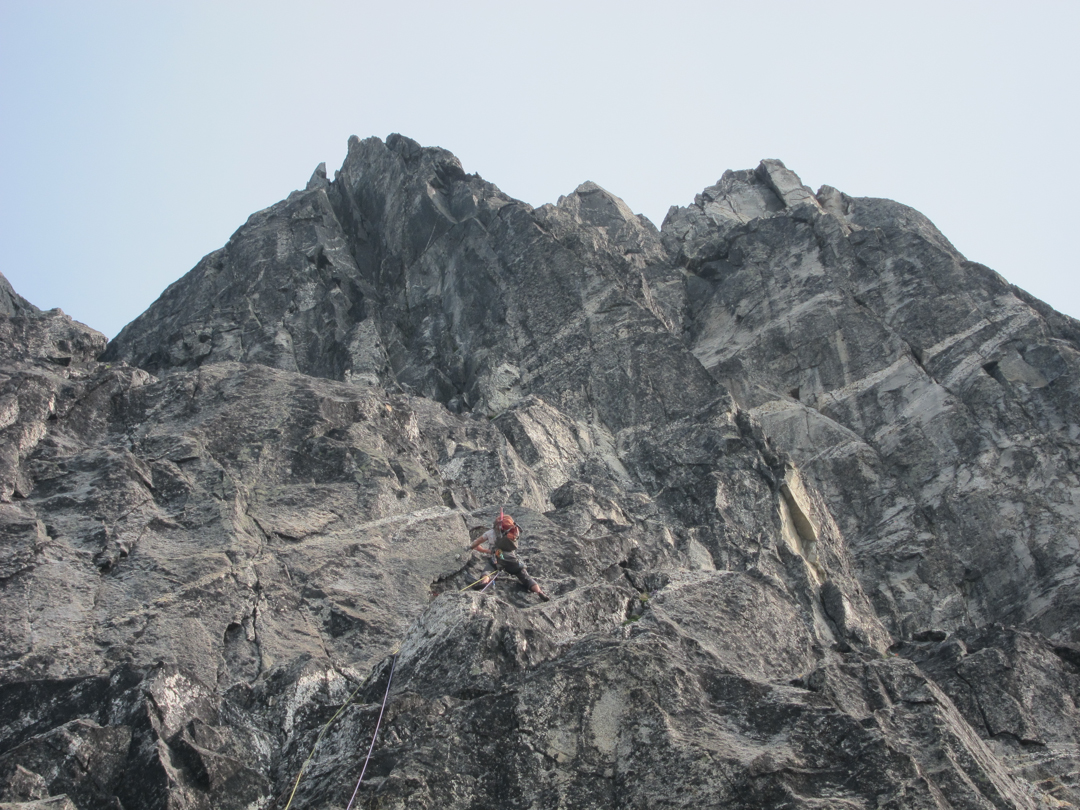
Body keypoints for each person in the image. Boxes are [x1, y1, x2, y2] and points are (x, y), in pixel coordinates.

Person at [468, 512, 550, 601]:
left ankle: (484, 581)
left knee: (488, 570)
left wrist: (473, 547)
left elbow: (476, 543)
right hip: (512, 559)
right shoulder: (512, 533)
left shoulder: (490, 533)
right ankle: (539, 592)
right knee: (525, 576)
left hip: (497, 558)